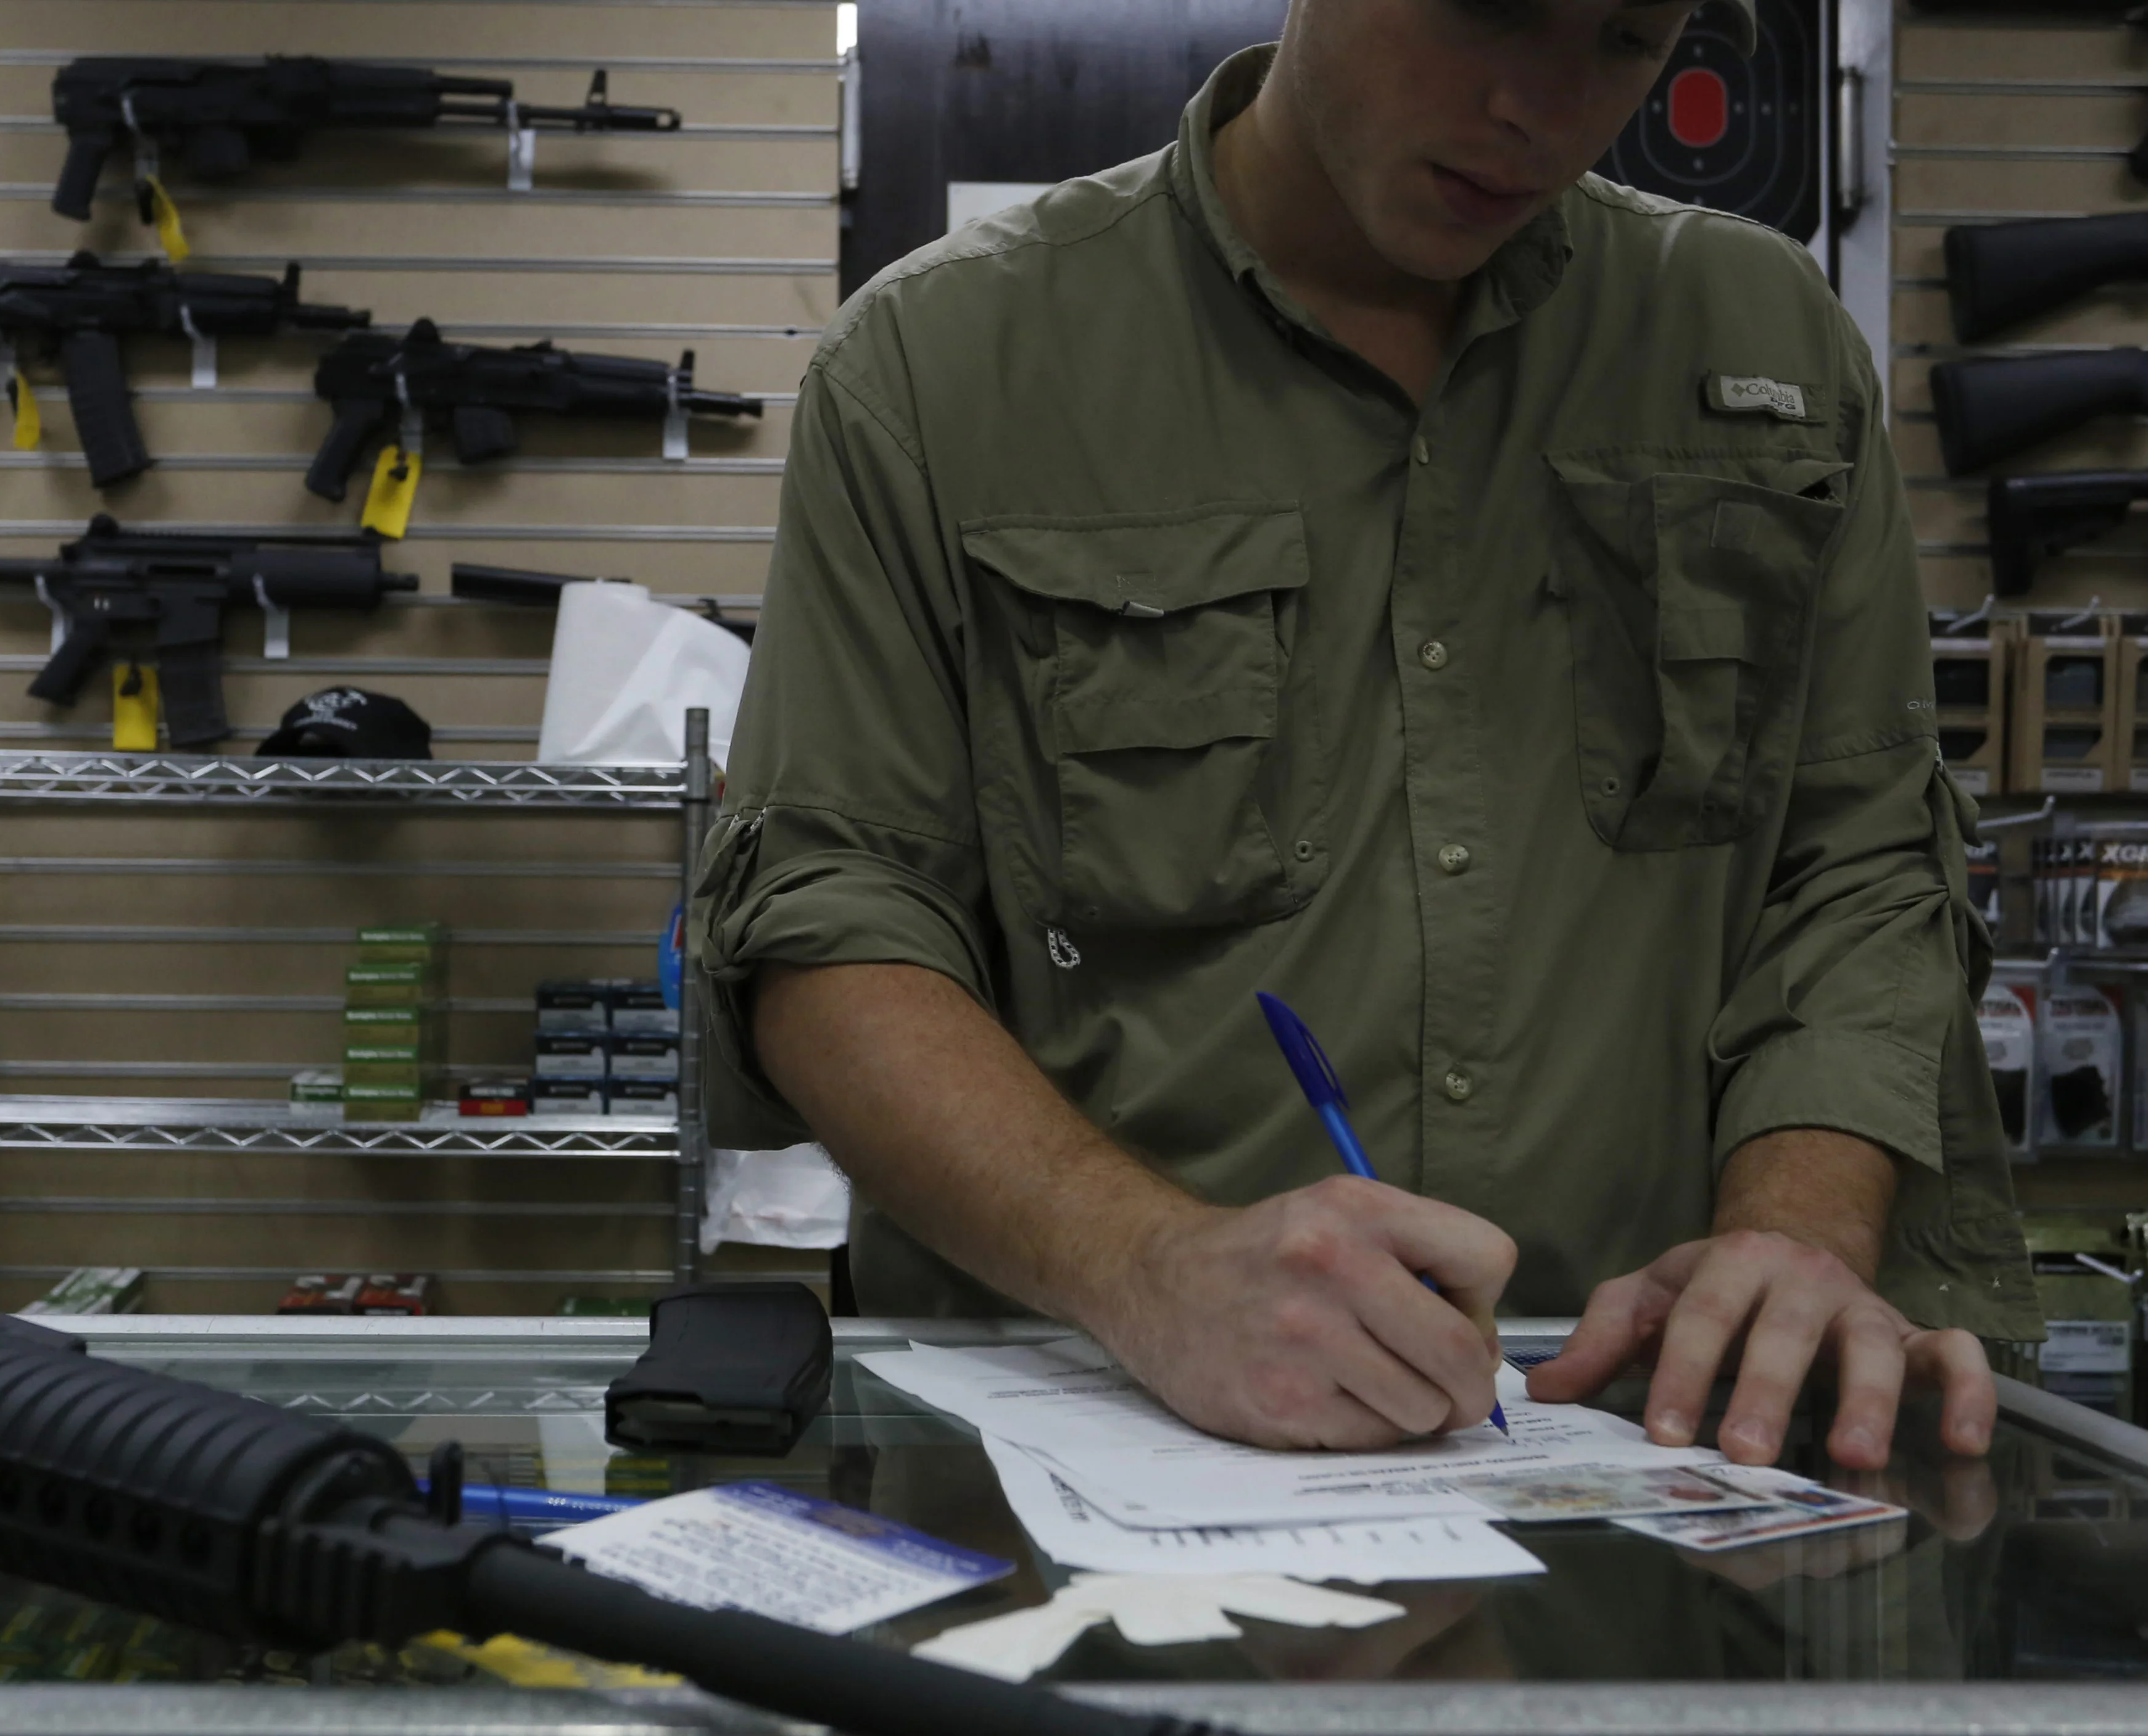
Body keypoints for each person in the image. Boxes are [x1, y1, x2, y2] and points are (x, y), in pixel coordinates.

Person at [693, 0, 2042, 1473]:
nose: (1541, 105)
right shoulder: (938, 365)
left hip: (1640, 1440)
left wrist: (1792, 1234)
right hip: (1095, 1436)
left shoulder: (1764, 342)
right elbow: (833, 927)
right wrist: (1151, 1264)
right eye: (1484, 11)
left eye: (1623, 42)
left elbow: (1853, 870)